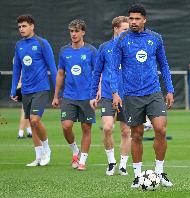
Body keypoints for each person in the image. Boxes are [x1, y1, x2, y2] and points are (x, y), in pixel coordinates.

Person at [110, 4, 174, 188]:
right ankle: (138, 176)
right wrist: (115, 92)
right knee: (136, 135)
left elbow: (164, 65)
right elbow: (114, 69)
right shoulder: (121, 40)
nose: (134, 22)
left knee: (161, 129)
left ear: (144, 19)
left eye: (137, 19)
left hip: (153, 92)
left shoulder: (155, 38)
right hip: (131, 95)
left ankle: (160, 172)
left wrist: (169, 90)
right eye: (131, 19)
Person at [10, 14, 57, 167]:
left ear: (32, 26)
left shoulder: (42, 43)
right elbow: (17, 68)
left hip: (41, 88)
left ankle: (47, 150)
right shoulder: (19, 45)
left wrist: (57, 91)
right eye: (19, 27)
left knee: (35, 120)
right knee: (31, 122)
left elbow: (52, 68)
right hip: (26, 90)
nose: (21, 29)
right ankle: (38, 157)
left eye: (24, 26)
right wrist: (13, 89)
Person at [52, 19, 97, 171]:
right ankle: (75, 151)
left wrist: (97, 92)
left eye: (76, 31)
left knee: (86, 128)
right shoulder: (64, 51)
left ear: (83, 32)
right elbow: (60, 73)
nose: (74, 34)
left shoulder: (91, 51)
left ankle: (82, 160)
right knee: (66, 126)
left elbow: (98, 73)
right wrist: (56, 96)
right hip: (69, 95)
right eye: (71, 31)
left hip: (87, 96)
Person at [90, 16, 131, 176]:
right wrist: (93, 94)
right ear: (115, 28)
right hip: (108, 94)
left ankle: (122, 165)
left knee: (126, 132)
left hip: (127, 95)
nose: (128, 32)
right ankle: (111, 162)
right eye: (125, 29)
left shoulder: (131, 47)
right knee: (107, 128)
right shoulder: (104, 47)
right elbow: (97, 72)